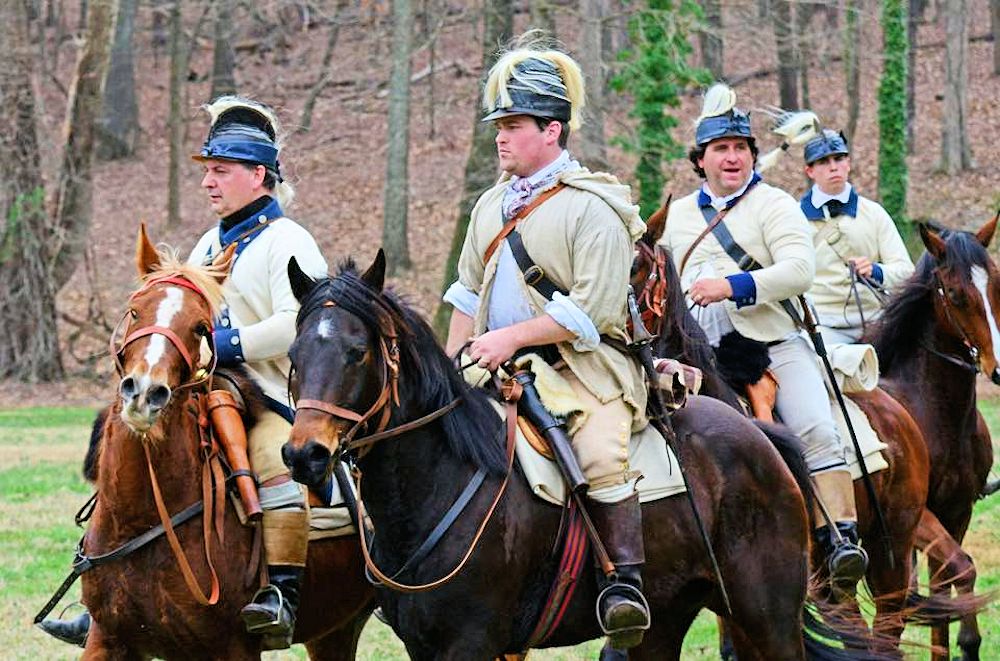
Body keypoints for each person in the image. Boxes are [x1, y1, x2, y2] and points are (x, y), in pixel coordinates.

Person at [38, 97, 328, 650]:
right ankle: (102, 599)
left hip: (266, 396)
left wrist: (221, 343)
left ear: (258, 175)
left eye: (220, 171)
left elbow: (300, 323)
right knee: (123, 442)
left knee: (275, 464)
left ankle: (281, 594)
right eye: (207, 172)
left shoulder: (289, 241)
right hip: (203, 389)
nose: (208, 183)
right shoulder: (211, 241)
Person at [442, 41, 651, 649]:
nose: (500, 139)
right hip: (492, 365)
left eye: (512, 126)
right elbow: (464, 291)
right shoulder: (488, 206)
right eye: (498, 126)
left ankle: (623, 582)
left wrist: (509, 336)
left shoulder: (595, 207)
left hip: (587, 367)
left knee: (600, 452)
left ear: (552, 130)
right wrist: (454, 362)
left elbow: (592, 312)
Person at [658, 83, 868, 594]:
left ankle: (838, 534)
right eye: (721, 150)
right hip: (696, 354)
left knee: (817, 426)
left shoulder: (775, 204)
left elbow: (800, 270)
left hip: (772, 345)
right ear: (700, 160)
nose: (732, 158)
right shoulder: (679, 214)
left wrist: (732, 285)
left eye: (740, 149)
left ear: (753, 156)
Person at [801, 128, 914, 344]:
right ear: (810, 171)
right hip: (820, 325)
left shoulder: (874, 213)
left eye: (839, 158)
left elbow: (907, 273)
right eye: (823, 161)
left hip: (877, 323)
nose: (833, 167)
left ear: (848, 163)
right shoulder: (794, 219)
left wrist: (876, 271)